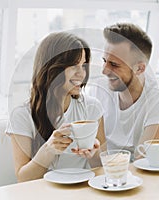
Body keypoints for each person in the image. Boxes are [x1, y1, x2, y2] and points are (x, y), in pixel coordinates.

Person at [6, 32, 106, 182]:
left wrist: (94, 155)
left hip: (84, 189)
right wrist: (48, 150)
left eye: (84, 65)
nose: (82, 74)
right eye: (73, 66)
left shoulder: (92, 107)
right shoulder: (22, 115)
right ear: (52, 69)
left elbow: (101, 169)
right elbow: (23, 178)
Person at [86, 23, 159, 161]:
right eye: (105, 61)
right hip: (109, 174)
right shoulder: (98, 90)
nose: (104, 71)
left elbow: (145, 161)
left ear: (139, 69)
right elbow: (96, 157)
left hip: (148, 177)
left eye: (114, 65)